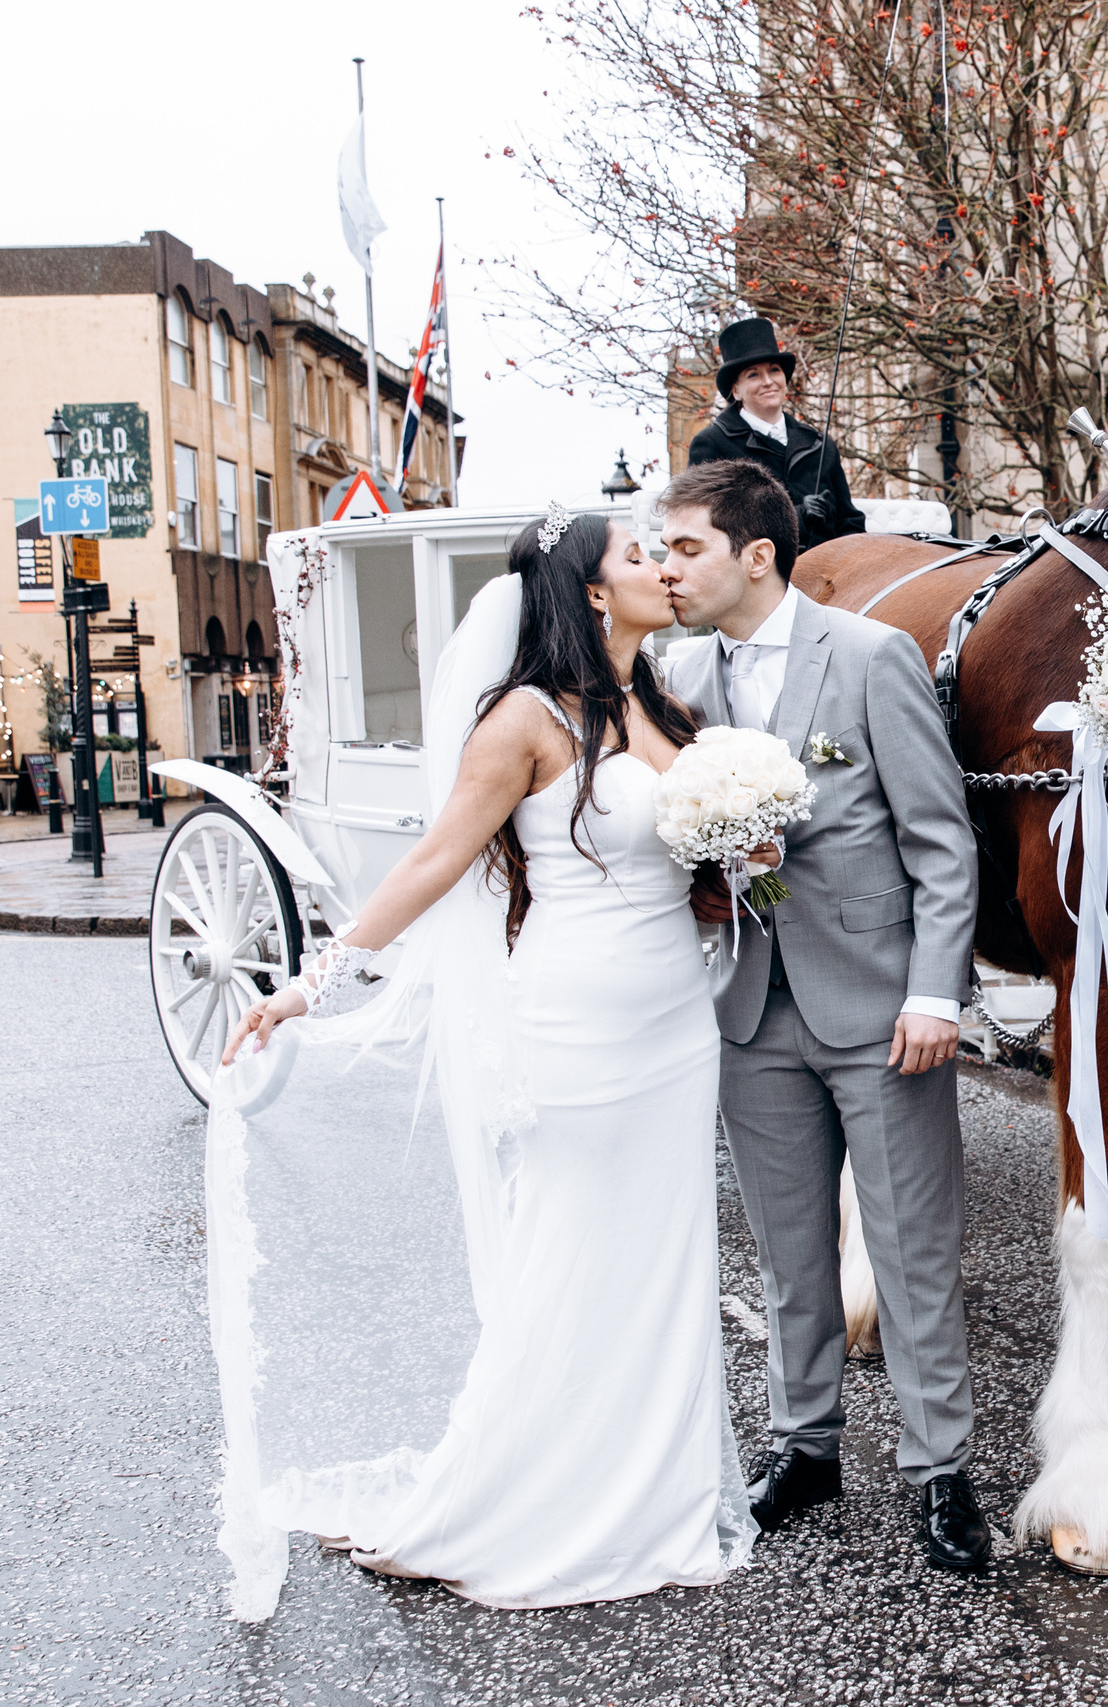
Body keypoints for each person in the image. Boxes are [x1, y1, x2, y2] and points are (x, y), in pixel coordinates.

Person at [204, 505, 756, 1617]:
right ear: (594, 594)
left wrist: (753, 838)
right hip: (577, 1023)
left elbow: (698, 858)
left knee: (663, 1258)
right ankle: (510, 1497)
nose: (658, 565)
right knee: (572, 1255)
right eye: (637, 555)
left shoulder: (663, 703)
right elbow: (434, 861)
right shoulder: (525, 720)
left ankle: (652, 1494)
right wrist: (317, 981)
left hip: (672, 1026)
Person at [655, 457, 993, 1572]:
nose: (667, 568)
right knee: (788, 1253)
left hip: (882, 1011)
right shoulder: (676, 675)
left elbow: (942, 844)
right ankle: (805, 1445)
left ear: (755, 555)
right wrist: (709, 873)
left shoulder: (868, 657)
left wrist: (936, 991)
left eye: (685, 548)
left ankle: (940, 1469)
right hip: (750, 1009)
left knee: (908, 1249)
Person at [685, 316, 867, 556]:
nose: (768, 381)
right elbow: (707, 526)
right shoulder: (711, 445)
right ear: (736, 390)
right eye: (754, 375)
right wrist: (795, 517)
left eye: (774, 371)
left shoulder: (819, 445)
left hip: (828, 576)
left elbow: (849, 522)